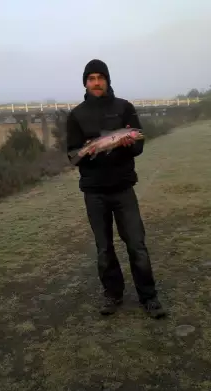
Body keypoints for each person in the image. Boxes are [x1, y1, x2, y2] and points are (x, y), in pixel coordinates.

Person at [66, 59, 166, 319]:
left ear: (108, 80)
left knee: (137, 244)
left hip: (123, 189)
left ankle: (149, 296)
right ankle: (113, 294)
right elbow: (72, 154)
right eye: (92, 78)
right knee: (104, 248)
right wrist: (89, 150)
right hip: (94, 192)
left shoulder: (125, 108)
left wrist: (127, 144)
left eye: (101, 77)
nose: (96, 82)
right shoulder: (76, 115)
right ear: (86, 82)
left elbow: (139, 143)